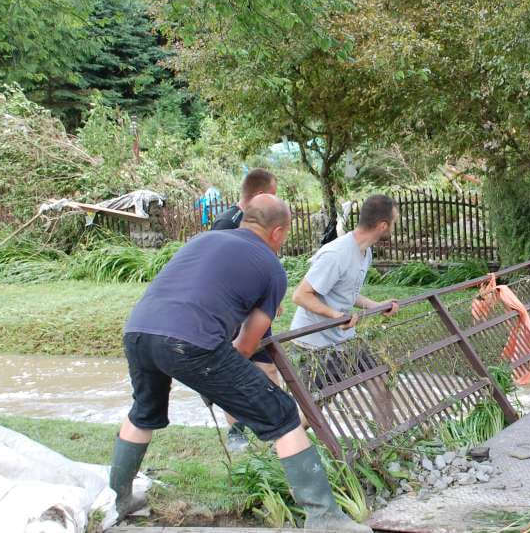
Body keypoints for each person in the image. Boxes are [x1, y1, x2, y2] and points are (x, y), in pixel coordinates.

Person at [110, 194, 371, 533]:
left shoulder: (206, 238)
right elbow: (247, 345)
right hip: (191, 341)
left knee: (143, 412)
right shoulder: (271, 268)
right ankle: (324, 517)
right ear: (278, 232)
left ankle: (120, 500)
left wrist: (212, 380)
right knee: (283, 415)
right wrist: (214, 380)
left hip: (138, 331)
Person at [290, 194, 400, 429]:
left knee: (380, 380)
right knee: (313, 412)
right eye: (394, 221)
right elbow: (300, 295)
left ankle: (390, 443)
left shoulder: (365, 252)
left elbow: (345, 293)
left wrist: (377, 306)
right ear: (383, 225)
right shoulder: (337, 254)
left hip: (344, 340)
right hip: (314, 344)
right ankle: (282, 447)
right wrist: (334, 317)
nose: (394, 226)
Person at [210, 168, 281, 451]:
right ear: (260, 195)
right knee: (234, 369)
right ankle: (236, 431)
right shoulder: (226, 224)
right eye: (273, 196)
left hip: (257, 311)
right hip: (233, 313)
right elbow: (219, 274)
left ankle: (276, 427)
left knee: (269, 369)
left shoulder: (261, 224)